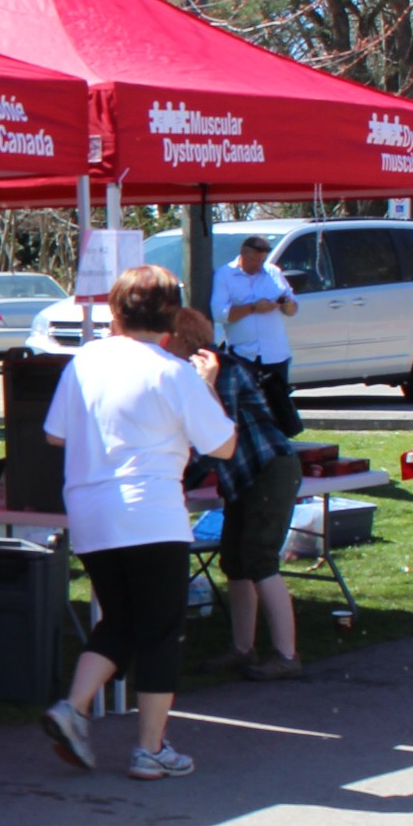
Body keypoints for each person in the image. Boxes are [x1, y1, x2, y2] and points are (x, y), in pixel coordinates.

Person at [41, 266, 238, 780]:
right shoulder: (172, 372)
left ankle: (73, 708)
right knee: (160, 630)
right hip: (150, 512)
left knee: (120, 620)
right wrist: (208, 387)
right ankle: (149, 747)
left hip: (90, 509)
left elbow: (56, 436)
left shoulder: (85, 361)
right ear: (172, 316)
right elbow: (223, 445)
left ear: (116, 310)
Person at [171, 306, 303, 681]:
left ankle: (286, 655)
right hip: (246, 478)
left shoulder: (218, 371)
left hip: (268, 470)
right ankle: (243, 649)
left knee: (260, 560)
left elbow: (213, 435)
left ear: (182, 339)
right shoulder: (202, 371)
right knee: (235, 561)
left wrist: (181, 481)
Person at [210, 232, 301, 435]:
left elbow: (293, 309)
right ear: (243, 254)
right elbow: (219, 314)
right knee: (248, 408)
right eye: (254, 260)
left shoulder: (272, 272)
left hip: (276, 353)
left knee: (279, 407)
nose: (258, 265)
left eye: (262, 260)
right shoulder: (225, 275)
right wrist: (252, 308)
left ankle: (281, 447)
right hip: (245, 354)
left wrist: (285, 304)